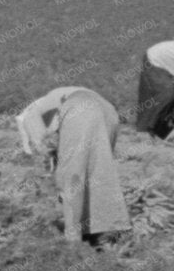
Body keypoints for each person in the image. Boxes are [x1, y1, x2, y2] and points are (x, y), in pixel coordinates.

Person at [16, 86, 131, 246]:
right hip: (109, 111)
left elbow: (43, 150)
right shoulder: (51, 101)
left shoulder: (28, 116)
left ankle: (73, 243)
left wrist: (49, 179)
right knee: (98, 171)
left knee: (72, 177)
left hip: (80, 110)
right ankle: (104, 232)